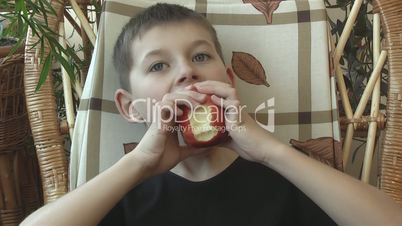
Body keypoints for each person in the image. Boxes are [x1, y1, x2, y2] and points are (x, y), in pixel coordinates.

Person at [21, 3, 402, 226]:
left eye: (201, 56)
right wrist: (139, 163)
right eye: (158, 67)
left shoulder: (285, 181)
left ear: (229, 80)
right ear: (131, 108)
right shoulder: (121, 198)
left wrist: (273, 152)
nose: (187, 72)